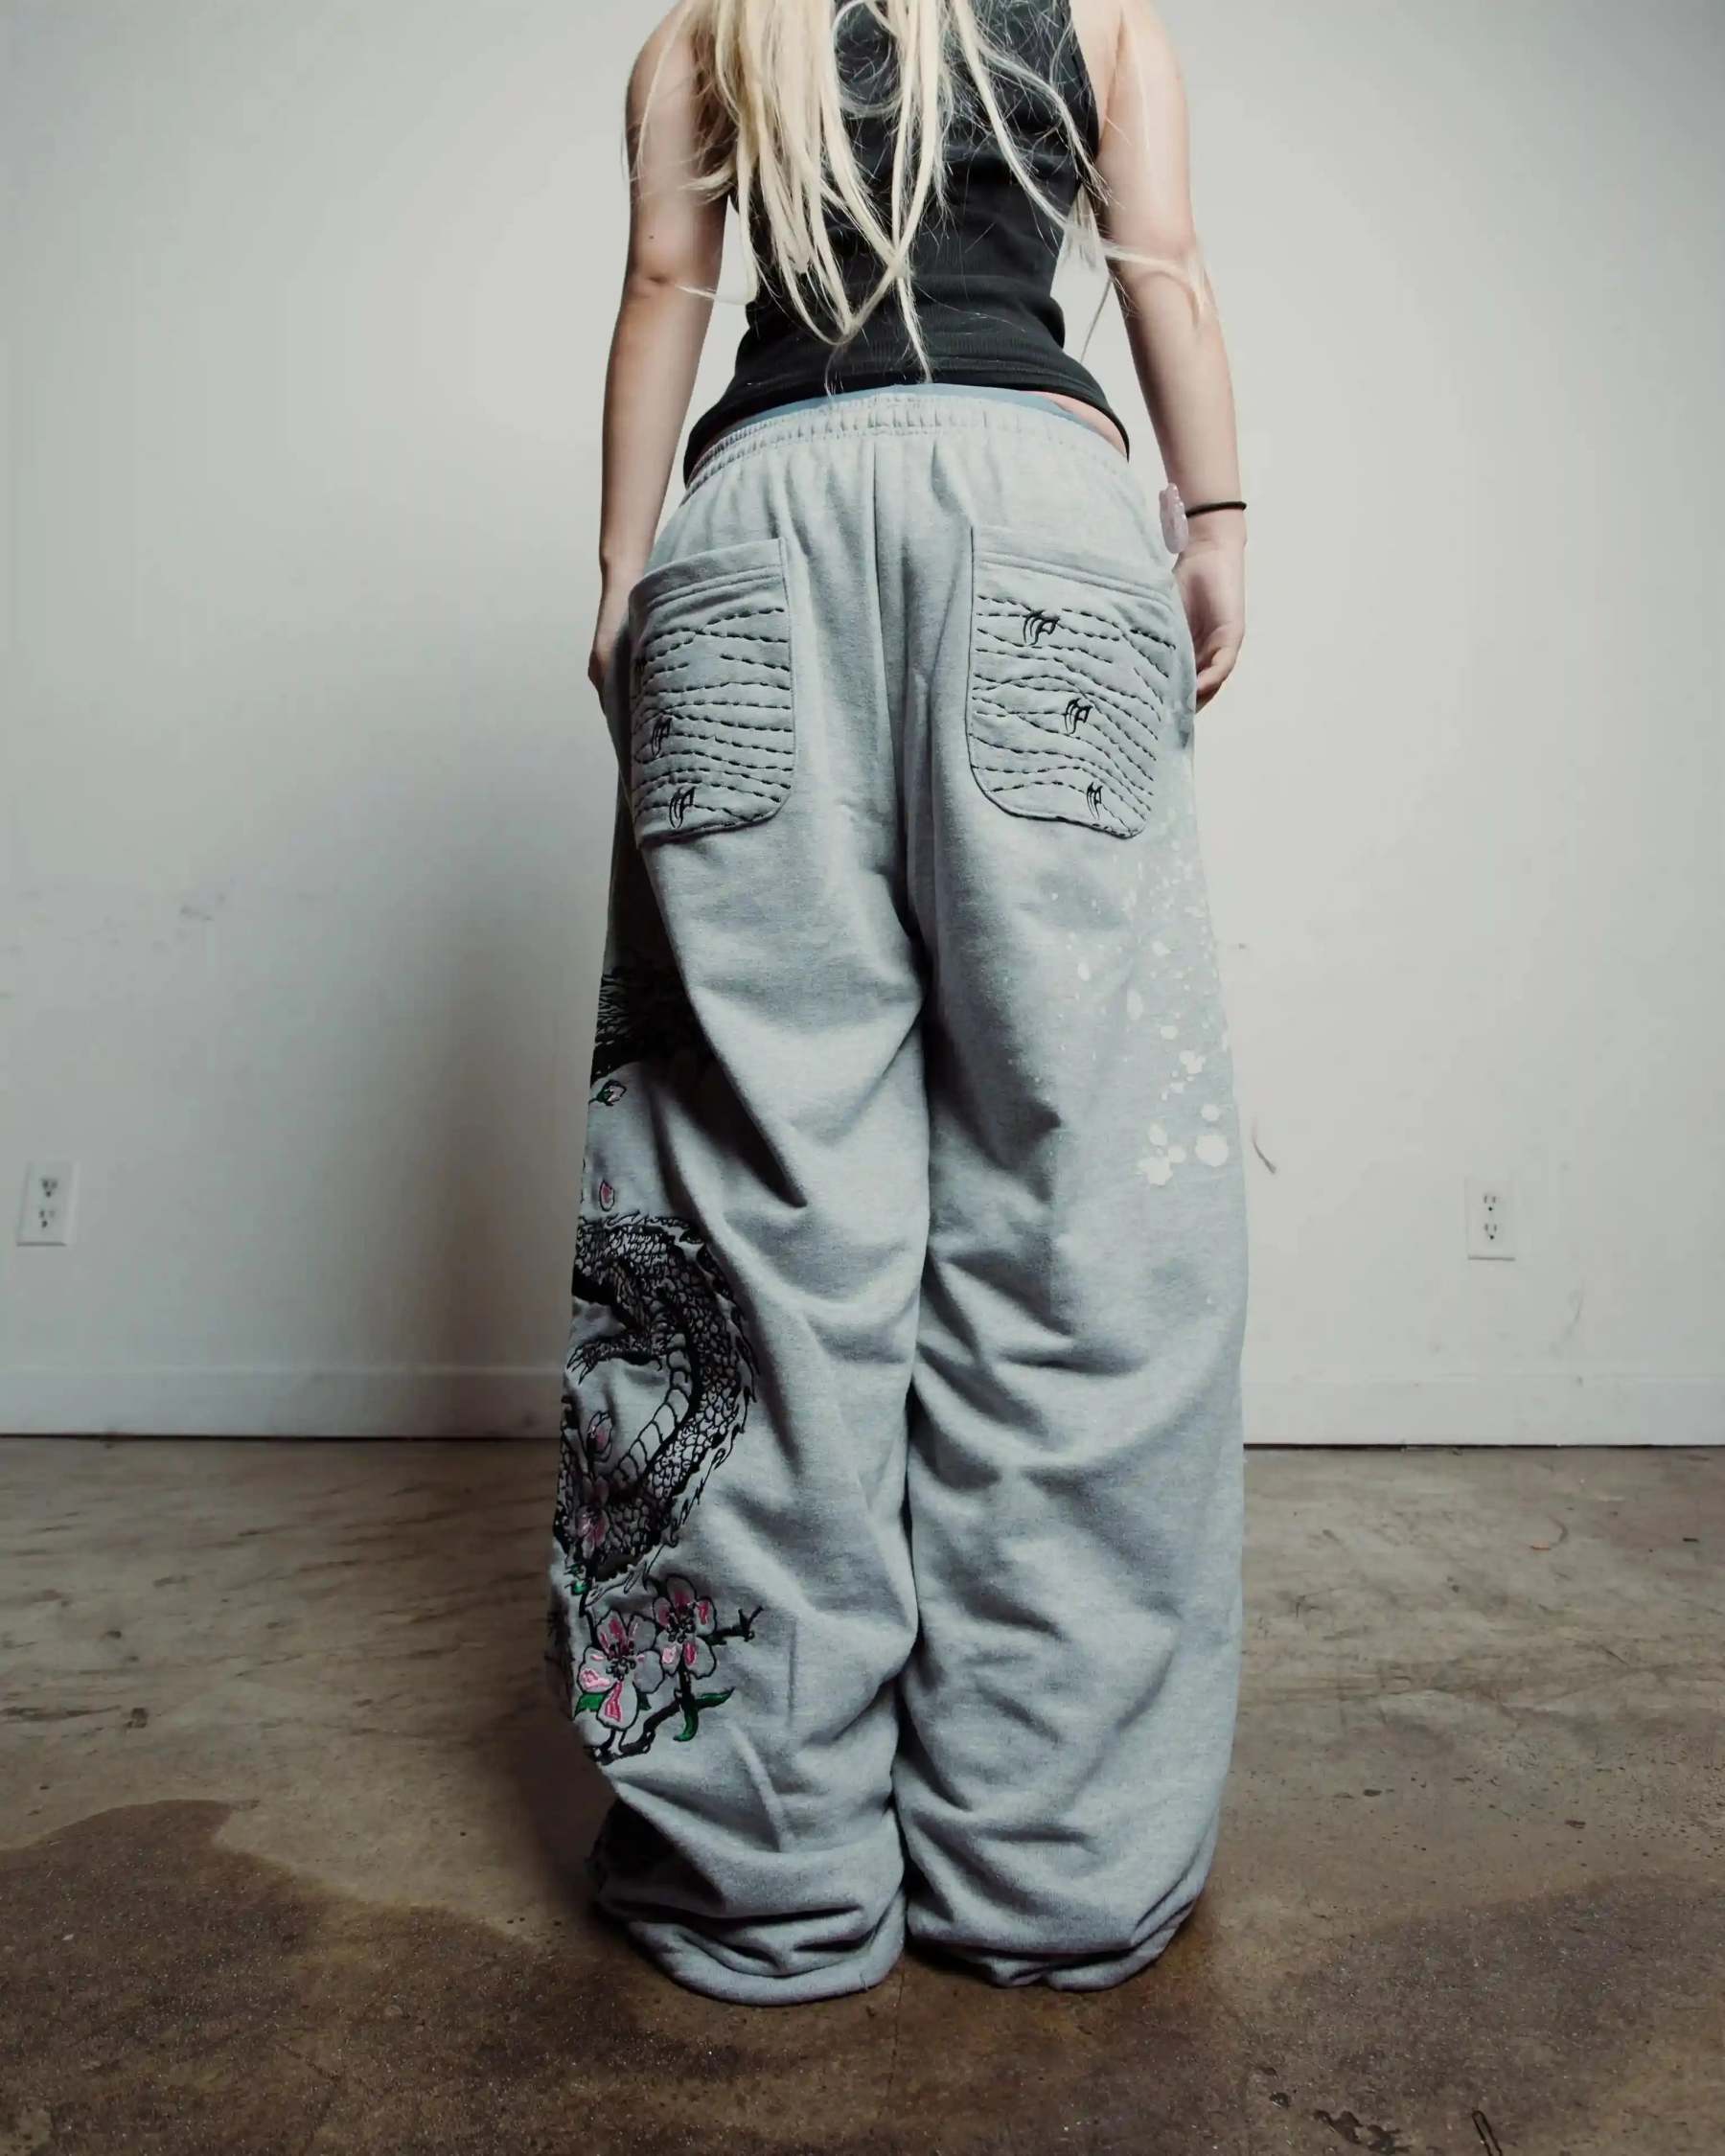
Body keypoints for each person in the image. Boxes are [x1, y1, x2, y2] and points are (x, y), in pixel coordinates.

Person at [544, 0, 1251, 2007]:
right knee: (1085, 1213)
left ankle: (757, 1885)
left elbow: (666, 289)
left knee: (745, 1222)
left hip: (754, 533)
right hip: (1042, 517)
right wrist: (1213, 522)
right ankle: (1056, 1867)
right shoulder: (1100, 18)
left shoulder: (710, 33)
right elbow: (1164, 269)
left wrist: (623, 574)